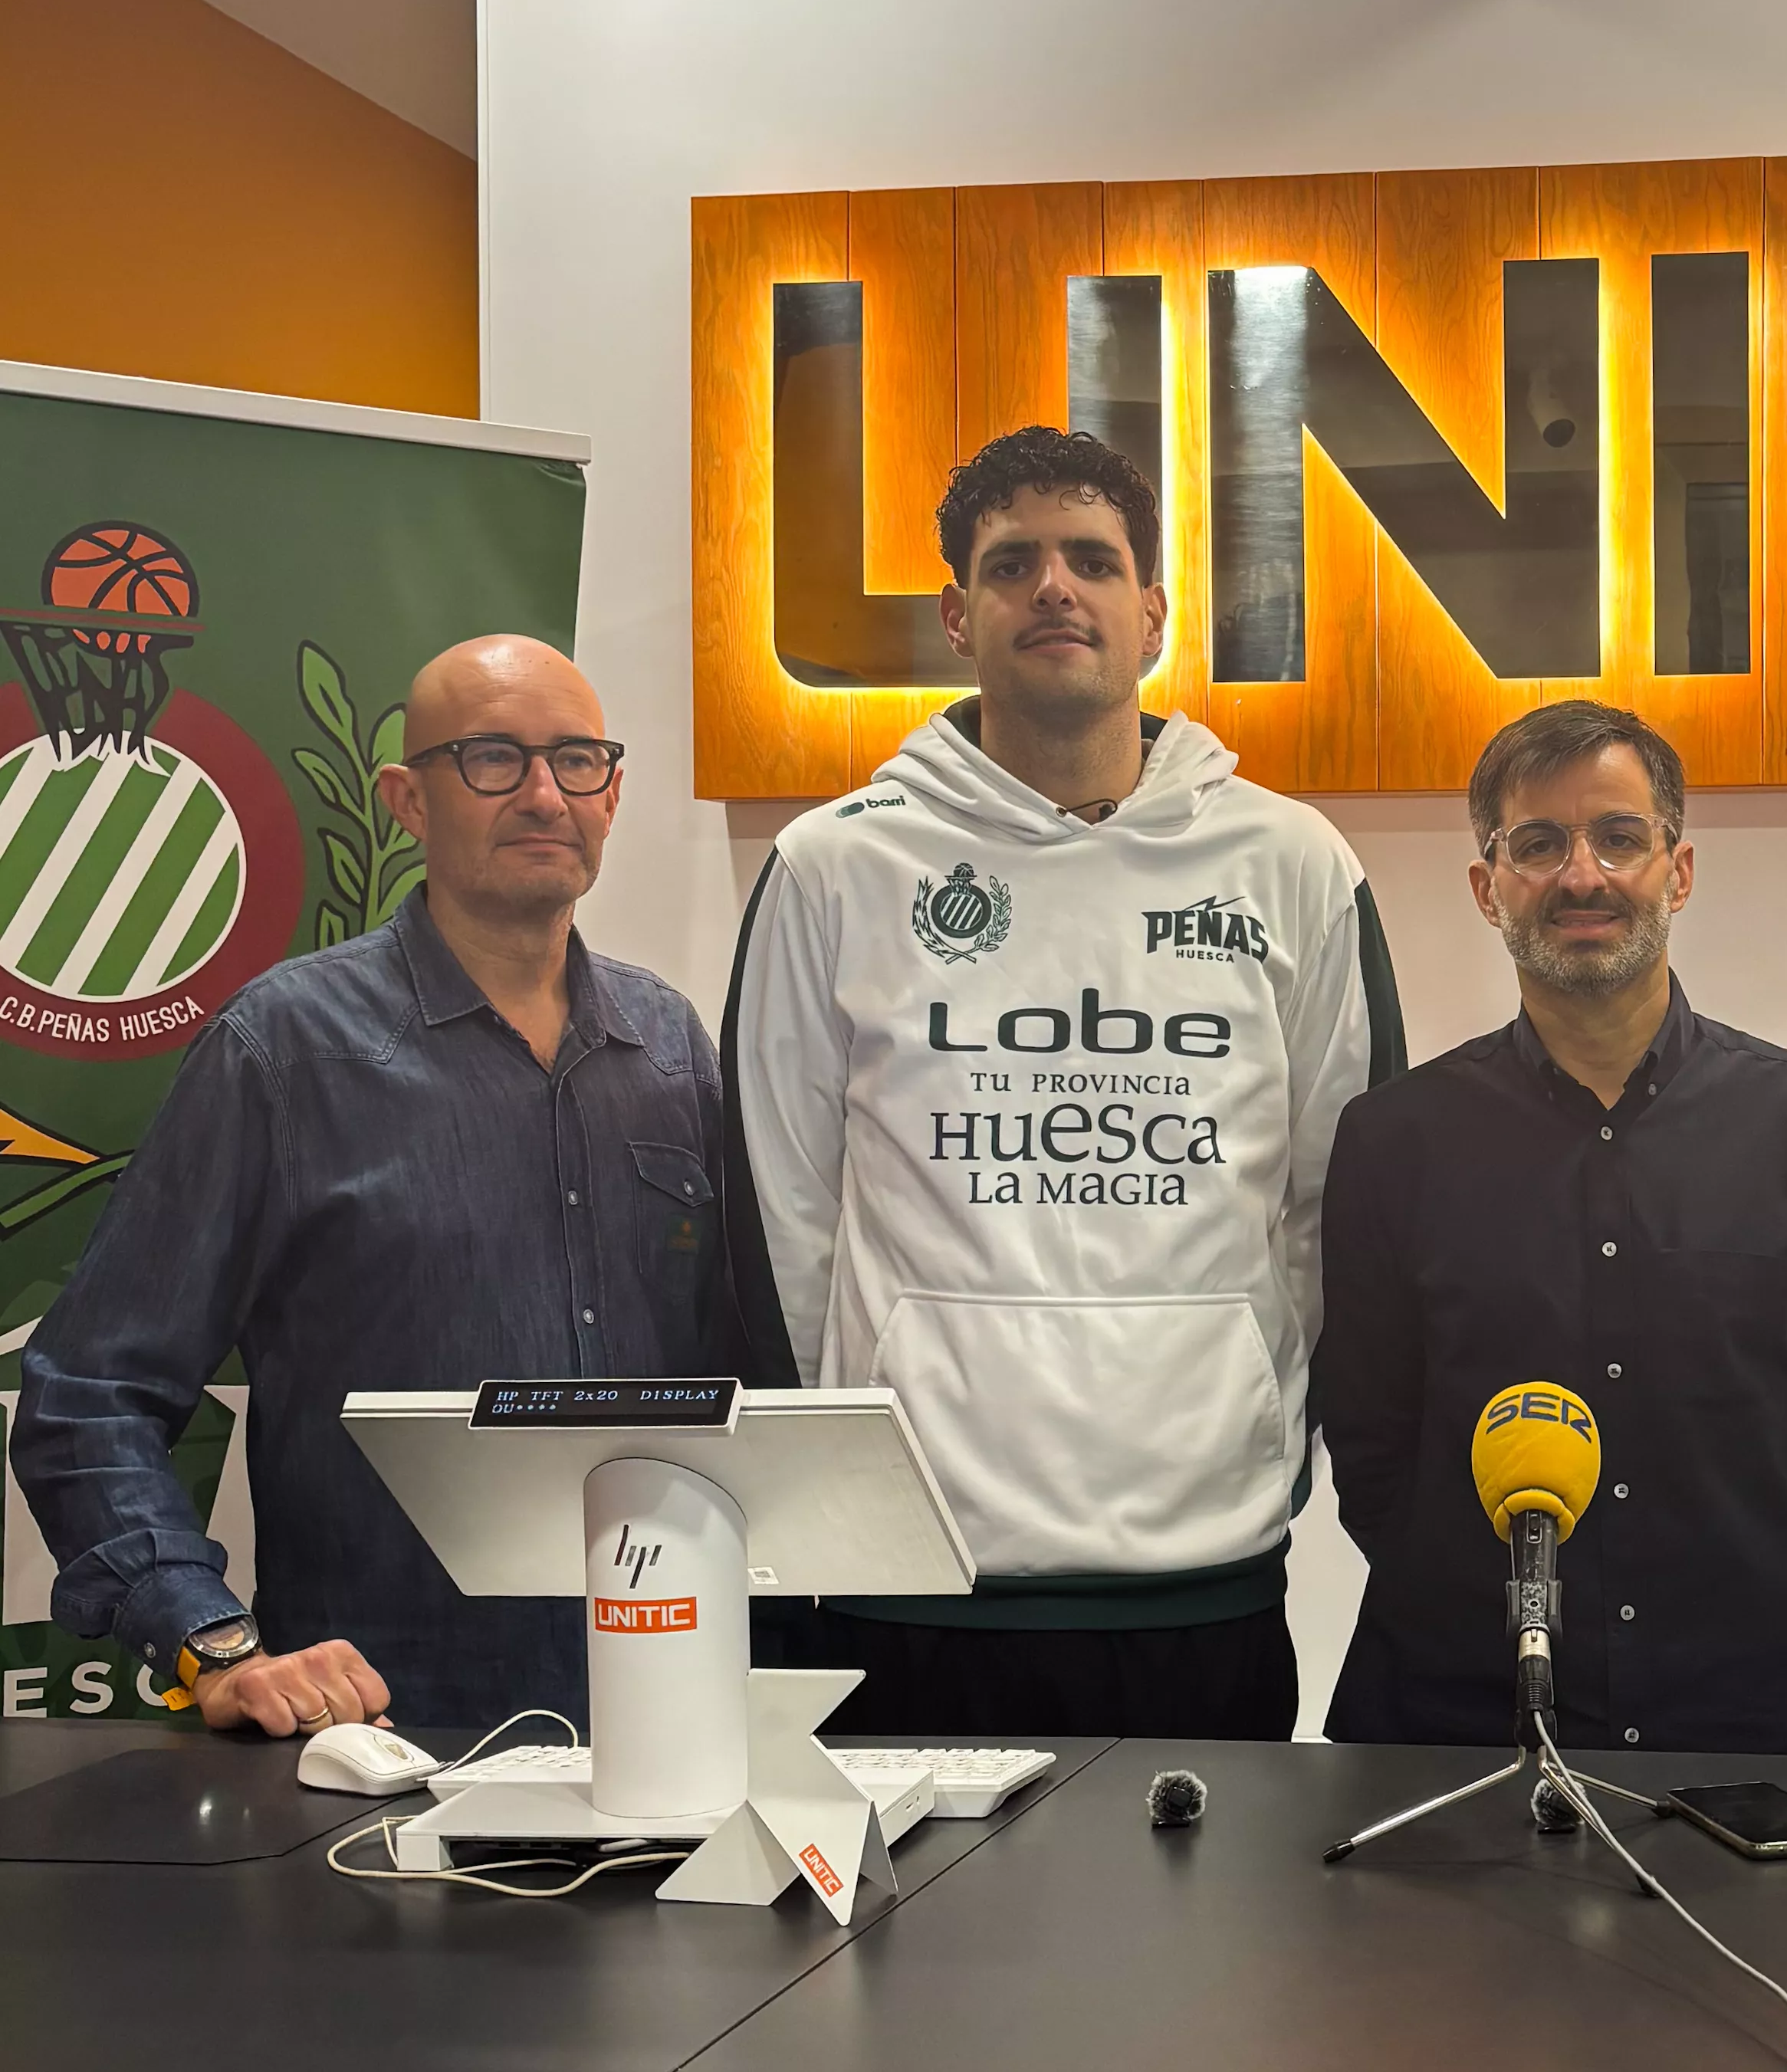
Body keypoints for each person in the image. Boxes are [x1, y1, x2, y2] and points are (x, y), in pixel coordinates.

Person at [728, 423, 1403, 1740]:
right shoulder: (835, 867)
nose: (1054, 587)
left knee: (1211, 1952)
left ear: (1151, 610)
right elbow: (780, 1223)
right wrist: (838, 1497)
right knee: (914, 1956)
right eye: (1013, 562)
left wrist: (1267, 1445)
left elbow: (1341, 1207)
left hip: (1203, 1581)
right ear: (955, 612)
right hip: (913, 1581)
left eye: (1092, 559)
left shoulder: (1295, 864)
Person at [10, 637, 754, 1734]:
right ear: (406, 799)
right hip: (384, 1735)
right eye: (494, 757)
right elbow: (89, 1392)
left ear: (613, 789)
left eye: (578, 759)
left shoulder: (672, 1048)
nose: (546, 793)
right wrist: (205, 1636)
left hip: (671, 1711)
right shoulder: (283, 1052)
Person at [1314, 701, 1787, 1753]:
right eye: (1537, 844)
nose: (1580, 875)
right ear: (1486, 886)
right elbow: (1371, 1443)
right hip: (1453, 1719)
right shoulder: (1391, 1141)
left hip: (1736, 1724)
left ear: (1676, 871)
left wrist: (1778, 1630)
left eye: (1619, 837)